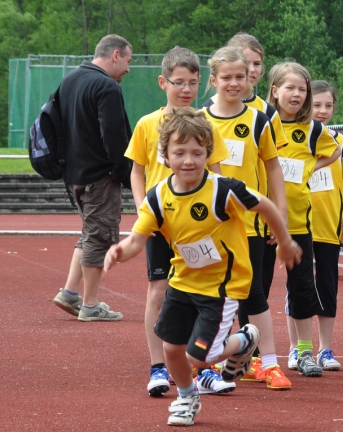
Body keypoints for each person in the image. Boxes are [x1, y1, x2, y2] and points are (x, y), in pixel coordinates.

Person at [103, 108, 302, 426]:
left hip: (221, 288)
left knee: (199, 357)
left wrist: (286, 241)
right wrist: (119, 251)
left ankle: (244, 339)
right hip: (182, 282)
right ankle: (187, 397)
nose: (188, 160)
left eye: (197, 152)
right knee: (171, 350)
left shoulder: (224, 190)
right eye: (179, 152)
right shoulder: (158, 197)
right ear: (165, 156)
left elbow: (264, 205)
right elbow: (137, 239)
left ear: (208, 154)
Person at [124, 46, 231, 397]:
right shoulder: (146, 124)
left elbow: (216, 173)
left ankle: (202, 368)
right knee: (159, 290)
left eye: (192, 83)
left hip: (198, 224)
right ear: (163, 82)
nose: (185, 89)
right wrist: (145, 211)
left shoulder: (207, 124)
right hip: (161, 220)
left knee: (205, 294)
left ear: (202, 83)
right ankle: (158, 367)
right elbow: (136, 172)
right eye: (178, 82)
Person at [202, 46, 292, 390]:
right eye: (227, 77)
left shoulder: (260, 118)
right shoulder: (201, 119)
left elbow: (273, 167)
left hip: (251, 224)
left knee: (254, 294)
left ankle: (269, 364)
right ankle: (212, 362)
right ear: (214, 80)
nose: (234, 83)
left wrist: (278, 215)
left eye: (240, 76)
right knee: (210, 294)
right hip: (210, 225)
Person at [265, 62, 341, 377]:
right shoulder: (263, 124)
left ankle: (304, 352)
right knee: (254, 290)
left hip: (298, 225)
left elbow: (335, 151)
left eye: (302, 89)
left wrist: (312, 167)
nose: (296, 94)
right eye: (290, 88)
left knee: (302, 289)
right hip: (261, 224)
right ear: (274, 90)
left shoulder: (312, 130)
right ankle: (253, 355)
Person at [52, 34, 133, 322]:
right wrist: (123, 172)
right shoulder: (107, 87)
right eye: (127, 60)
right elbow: (114, 136)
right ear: (115, 55)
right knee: (99, 238)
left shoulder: (70, 80)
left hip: (74, 176)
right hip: (99, 177)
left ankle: (70, 293)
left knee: (89, 234)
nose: (128, 68)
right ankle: (90, 305)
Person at [308, 80, 343, 370]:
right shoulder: (292, 139)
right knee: (299, 287)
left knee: (327, 285)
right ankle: (296, 348)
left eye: (328, 105)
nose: (322, 110)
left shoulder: (340, 143)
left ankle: (325, 349)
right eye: (316, 105)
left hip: (329, 227)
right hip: (299, 226)